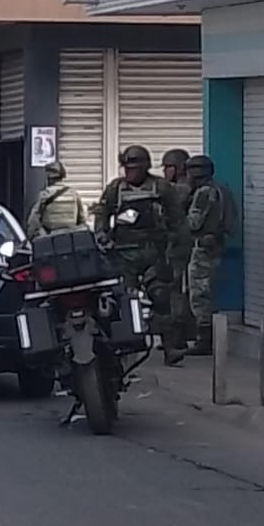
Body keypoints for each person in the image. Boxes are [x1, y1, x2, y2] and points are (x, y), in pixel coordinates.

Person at [92, 145, 187, 366]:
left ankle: (170, 347)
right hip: (123, 254)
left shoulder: (161, 188)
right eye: (127, 167)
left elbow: (177, 221)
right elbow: (102, 215)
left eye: (135, 167)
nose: (130, 171)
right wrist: (102, 236)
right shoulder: (116, 188)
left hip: (154, 251)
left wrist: (177, 250)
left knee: (161, 297)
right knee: (123, 301)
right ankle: (124, 349)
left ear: (145, 166)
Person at [182, 155, 227, 356]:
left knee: (199, 294)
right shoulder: (215, 190)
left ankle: (204, 340)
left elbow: (193, 223)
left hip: (204, 249)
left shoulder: (204, 193)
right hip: (209, 247)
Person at [160, 148, 194, 343]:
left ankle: (178, 334)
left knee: (176, 291)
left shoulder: (179, 190)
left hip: (179, 247)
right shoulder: (180, 188)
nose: (165, 172)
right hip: (178, 246)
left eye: (168, 167)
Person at [24, 160, 86, 240]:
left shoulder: (45, 195)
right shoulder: (73, 194)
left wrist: (29, 237)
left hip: (50, 240)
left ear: (48, 178)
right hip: (70, 240)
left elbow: (33, 221)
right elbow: (82, 219)